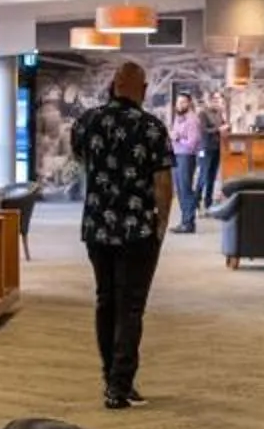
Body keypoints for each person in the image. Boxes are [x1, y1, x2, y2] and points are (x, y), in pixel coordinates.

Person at [69, 60, 174, 409]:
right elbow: (163, 183)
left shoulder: (87, 122)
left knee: (105, 300)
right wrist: (160, 224)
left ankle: (109, 376)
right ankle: (120, 385)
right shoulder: (151, 127)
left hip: (97, 226)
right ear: (142, 90)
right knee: (130, 306)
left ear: (114, 86)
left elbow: (80, 159)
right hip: (137, 230)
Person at [167, 89, 208, 233]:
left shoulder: (192, 120)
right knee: (180, 190)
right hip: (177, 156)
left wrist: (177, 138)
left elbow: (193, 143)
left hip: (186, 157)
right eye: (178, 102)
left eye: (183, 102)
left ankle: (189, 223)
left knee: (185, 190)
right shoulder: (178, 118)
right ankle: (184, 221)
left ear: (189, 103)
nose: (179, 104)